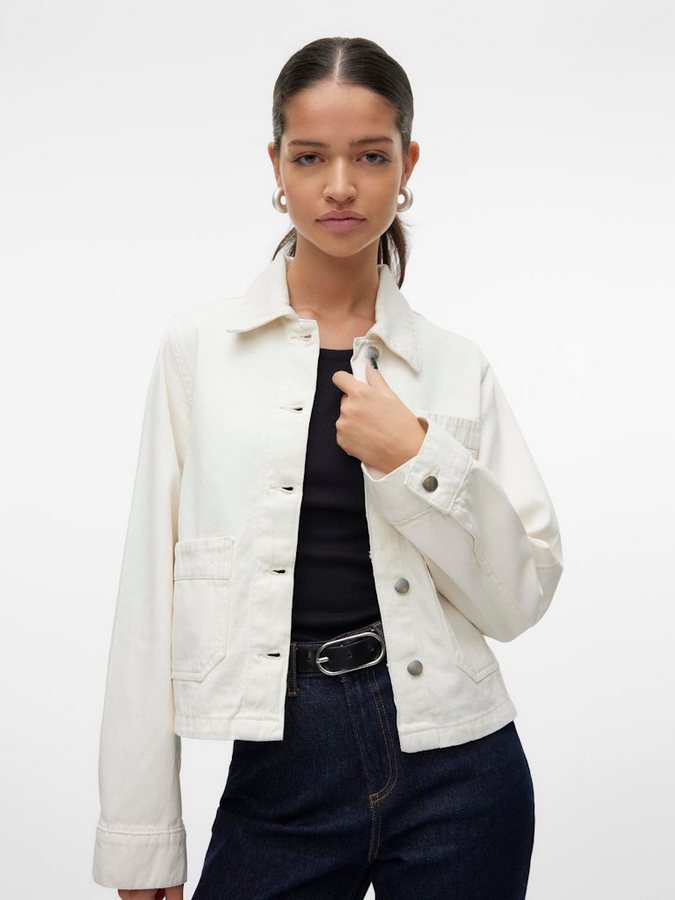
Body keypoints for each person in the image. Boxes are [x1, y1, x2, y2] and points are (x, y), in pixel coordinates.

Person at [93, 35, 564, 900]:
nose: (339, 185)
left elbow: (520, 597)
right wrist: (141, 835)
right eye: (310, 157)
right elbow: (147, 593)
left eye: (370, 156)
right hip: (282, 769)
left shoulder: (453, 366)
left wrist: (416, 457)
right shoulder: (200, 347)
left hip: (461, 768)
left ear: (406, 166)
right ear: (275, 166)